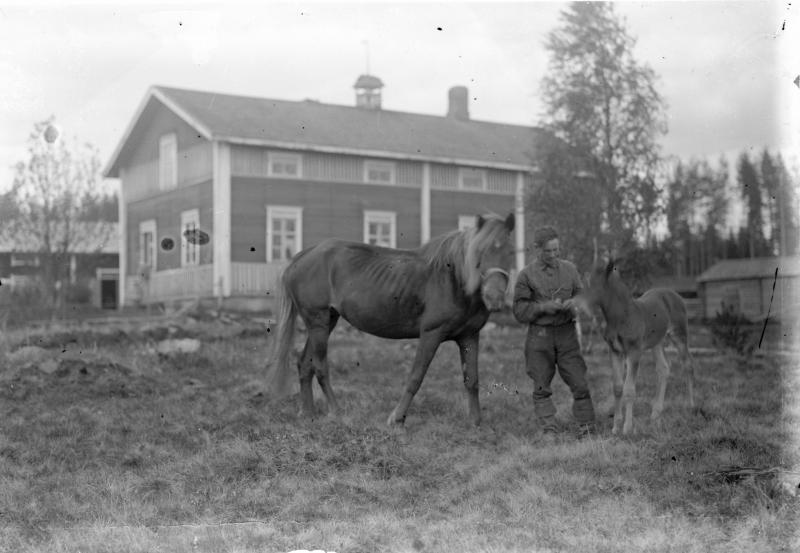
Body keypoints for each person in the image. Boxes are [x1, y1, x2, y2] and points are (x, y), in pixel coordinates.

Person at [512, 225, 596, 437]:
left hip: (567, 334)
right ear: (536, 249)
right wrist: (542, 308)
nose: (553, 254)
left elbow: (582, 296)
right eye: (548, 251)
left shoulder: (570, 270)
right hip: (539, 337)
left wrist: (574, 303)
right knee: (541, 385)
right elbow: (519, 311)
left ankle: (587, 427)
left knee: (579, 381)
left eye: (556, 250)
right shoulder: (526, 275)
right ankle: (549, 428)